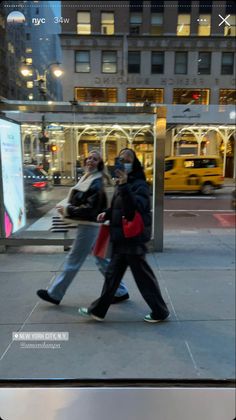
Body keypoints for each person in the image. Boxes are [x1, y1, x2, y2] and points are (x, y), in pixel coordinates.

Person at [78, 148, 170, 323]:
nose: (124, 162)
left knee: (143, 278)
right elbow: (118, 207)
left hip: (133, 240)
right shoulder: (122, 183)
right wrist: (106, 212)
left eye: (128, 160)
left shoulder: (139, 184)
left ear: (134, 164)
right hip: (122, 239)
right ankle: (98, 311)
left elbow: (130, 211)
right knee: (112, 276)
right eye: (121, 159)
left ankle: (160, 311)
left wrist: (125, 185)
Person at [36, 150, 129, 305]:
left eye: (94, 159)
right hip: (94, 226)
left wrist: (67, 210)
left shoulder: (96, 181)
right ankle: (120, 290)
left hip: (89, 226)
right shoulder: (91, 177)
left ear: (100, 163)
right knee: (101, 260)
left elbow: (90, 210)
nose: (90, 161)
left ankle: (55, 294)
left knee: (74, 259)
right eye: (89, 158)